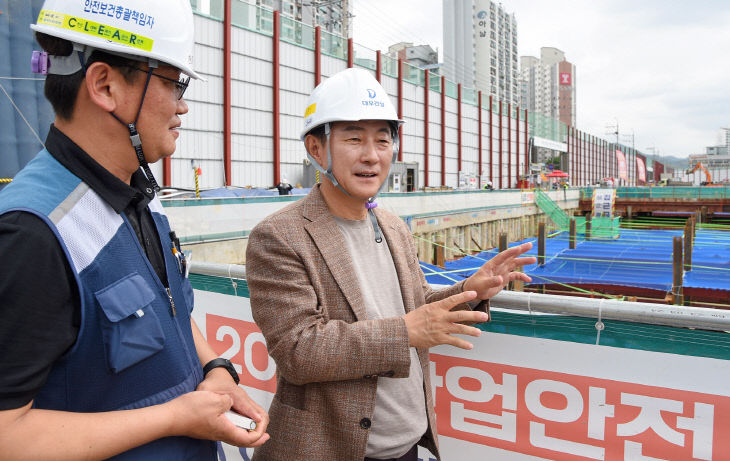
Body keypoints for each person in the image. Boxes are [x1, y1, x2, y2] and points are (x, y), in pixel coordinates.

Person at [0, 1, 268, 459]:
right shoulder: (34, 234)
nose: (183, 105)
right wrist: (176, 417)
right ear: (105, 85)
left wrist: (217, 370)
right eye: (174, 82)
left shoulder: (138, 195)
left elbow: (170, 312)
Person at [245, 68, 535, 461]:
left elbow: (416, 306)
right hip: (331, 449)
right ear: (316, 149)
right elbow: (298, 349)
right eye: (353, 139)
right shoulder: (280, 236)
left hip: (408, 445)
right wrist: (405, 333)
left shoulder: (393, 225)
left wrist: (470, 291)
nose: (371, 155)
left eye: (382, 140)